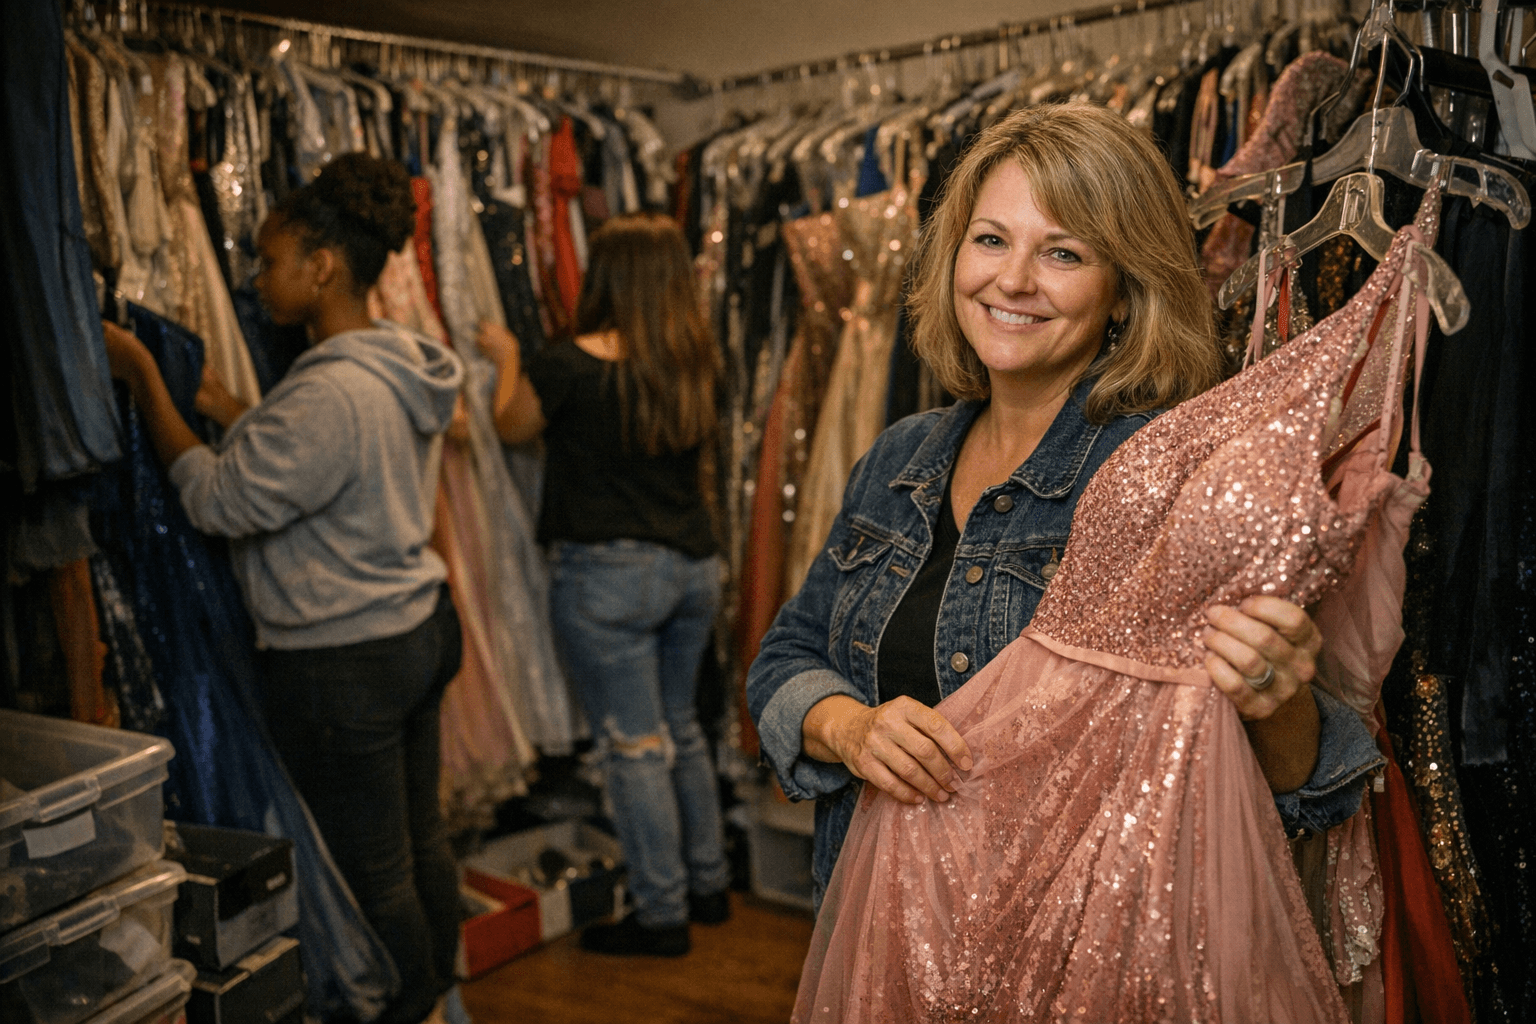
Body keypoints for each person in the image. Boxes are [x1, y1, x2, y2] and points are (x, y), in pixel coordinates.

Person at [746, 105, 1386, 1018]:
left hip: (1071, 974)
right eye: (991, 239)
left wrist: (1275, 697)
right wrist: (851, 728)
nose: (1013, 279)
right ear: (951, 258)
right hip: (885, 953)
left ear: (1124, 288)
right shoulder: (899, 459)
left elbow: (1301, 790)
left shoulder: (1160, 474)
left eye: (1064, 253)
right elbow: (782, 662)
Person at [103, 154, 468, 1024]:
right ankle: (446, 999)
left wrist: (145, 379)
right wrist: (241, 413)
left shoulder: (324, 393)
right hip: (417, 625)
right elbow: (335, 462)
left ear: (323, 265)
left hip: (345, 657)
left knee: (371, 869)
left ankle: (410, 1011)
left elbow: (221, 502)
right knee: (422, 843)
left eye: (269, 261)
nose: (257, 279)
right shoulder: (399, 362)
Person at [476, 212, 732, 957]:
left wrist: (504, 358)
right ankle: (709, 885)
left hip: (608, 576)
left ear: (606, 276)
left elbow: (511, 427)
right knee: (681, 730)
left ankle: (662, 915)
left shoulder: (564, 363)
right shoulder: (693, 359)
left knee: (635, 746)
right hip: (692, 568)